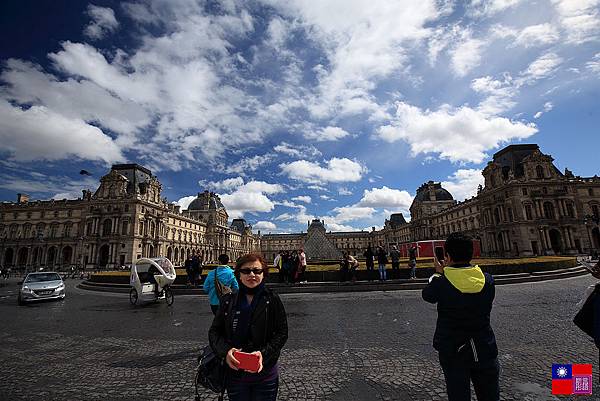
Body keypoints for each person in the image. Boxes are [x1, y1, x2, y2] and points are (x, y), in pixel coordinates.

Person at [422, 233, 500, 401]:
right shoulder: (488, 280)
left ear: (447, 256)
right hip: (484, 347)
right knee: (490, 395)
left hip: (453, 349)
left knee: (458, 394)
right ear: (471, 254)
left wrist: (438, 273)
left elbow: (427, 295)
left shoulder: (441, 283)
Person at [209, 253, 288, 401]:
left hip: (266, 373)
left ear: (263, 274)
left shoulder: (272, 299)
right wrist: (226, 352)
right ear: (238, 275)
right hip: (235, 373)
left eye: (257, 271)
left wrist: (263, 354)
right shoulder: (228, 301)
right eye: (246, 271)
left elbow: (282, 333)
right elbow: (214, 332)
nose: (251, 274)